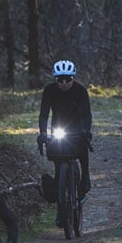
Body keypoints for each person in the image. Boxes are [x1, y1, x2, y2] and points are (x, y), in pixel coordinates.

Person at [38, 60, 93, 205]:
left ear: (72, 78)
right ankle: (61, 201)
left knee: (82, 148)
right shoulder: (49, 90)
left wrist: (86, 130)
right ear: (55, 79)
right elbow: (43, 114)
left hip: (77, 127)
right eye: (60, 80)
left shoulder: (80, 90)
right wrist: (43, 132)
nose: (64, 83)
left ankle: (85, 176)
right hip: (58, 127)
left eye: (67, 79)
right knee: (57, 156)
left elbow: (87, 114)